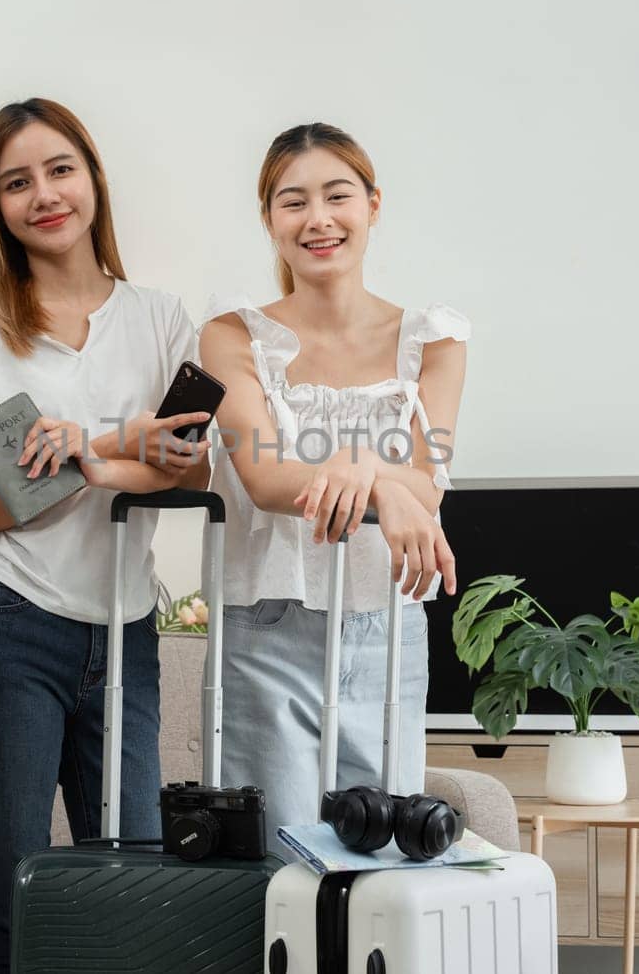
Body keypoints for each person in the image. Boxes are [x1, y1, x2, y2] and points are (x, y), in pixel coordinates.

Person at [0, 98, 210, 973]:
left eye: (59, 169)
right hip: (11, 627)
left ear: (92, 178)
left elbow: (191, 472)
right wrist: (127, 446)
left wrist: (75, 442)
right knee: (14, 906)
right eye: (17, 182)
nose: (43, 195)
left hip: (126, 635)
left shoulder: (160, 319)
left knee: (133, 900)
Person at [197, 121, 469, 849]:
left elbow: (428, 479)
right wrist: (378, 484)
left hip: (389, 628)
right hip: (265, 626)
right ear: (270, 221)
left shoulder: (435, 340)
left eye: (337, 195)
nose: (318, 218)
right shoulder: (232, 336)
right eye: (293, 202)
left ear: (373, 205)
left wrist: (366, 466)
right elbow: (262, 475)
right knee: (279, 861)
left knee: (385, 857)